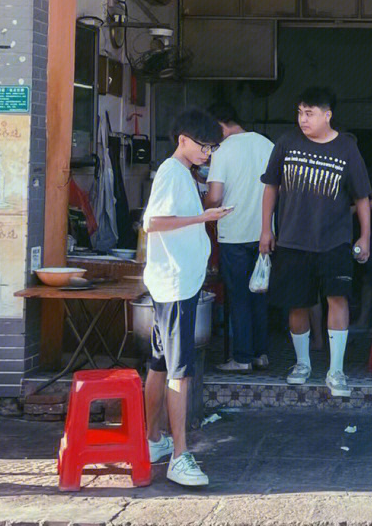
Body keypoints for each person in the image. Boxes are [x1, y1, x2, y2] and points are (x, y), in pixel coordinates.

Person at [259, 87, 372, 398]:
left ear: (327, 115)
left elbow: (362, 197)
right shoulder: (286, 142)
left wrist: (365, 236)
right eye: (300, 112)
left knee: (338, 299)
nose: (303, 119)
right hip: (292, 240)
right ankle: (302, 363)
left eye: (309, 113)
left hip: (335, 240)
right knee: (297, 303)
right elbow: (270, 187)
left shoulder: (347, 149)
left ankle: (336, 370)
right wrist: (266, 229)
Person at [143, 109, 232, 487]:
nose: (207, 153)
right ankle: (179, 455)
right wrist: (203, 219)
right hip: (175, 287)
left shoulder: (182, 174)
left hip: (175, 284)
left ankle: (153, 441)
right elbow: (153, 222)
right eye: (203, 145)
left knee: (160, 365)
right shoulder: (171, 173)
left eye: (211, 148)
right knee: (180, 372)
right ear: (183, 139)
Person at [205, 102, 275, 373]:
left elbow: (215, 197)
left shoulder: (222, 151)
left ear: (220, 125)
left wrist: (200, 206)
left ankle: (242, 358)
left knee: (239, 298)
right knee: (259, 294)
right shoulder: (267, 145)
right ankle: (261, 354)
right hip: (264, 234)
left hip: (233, 234)